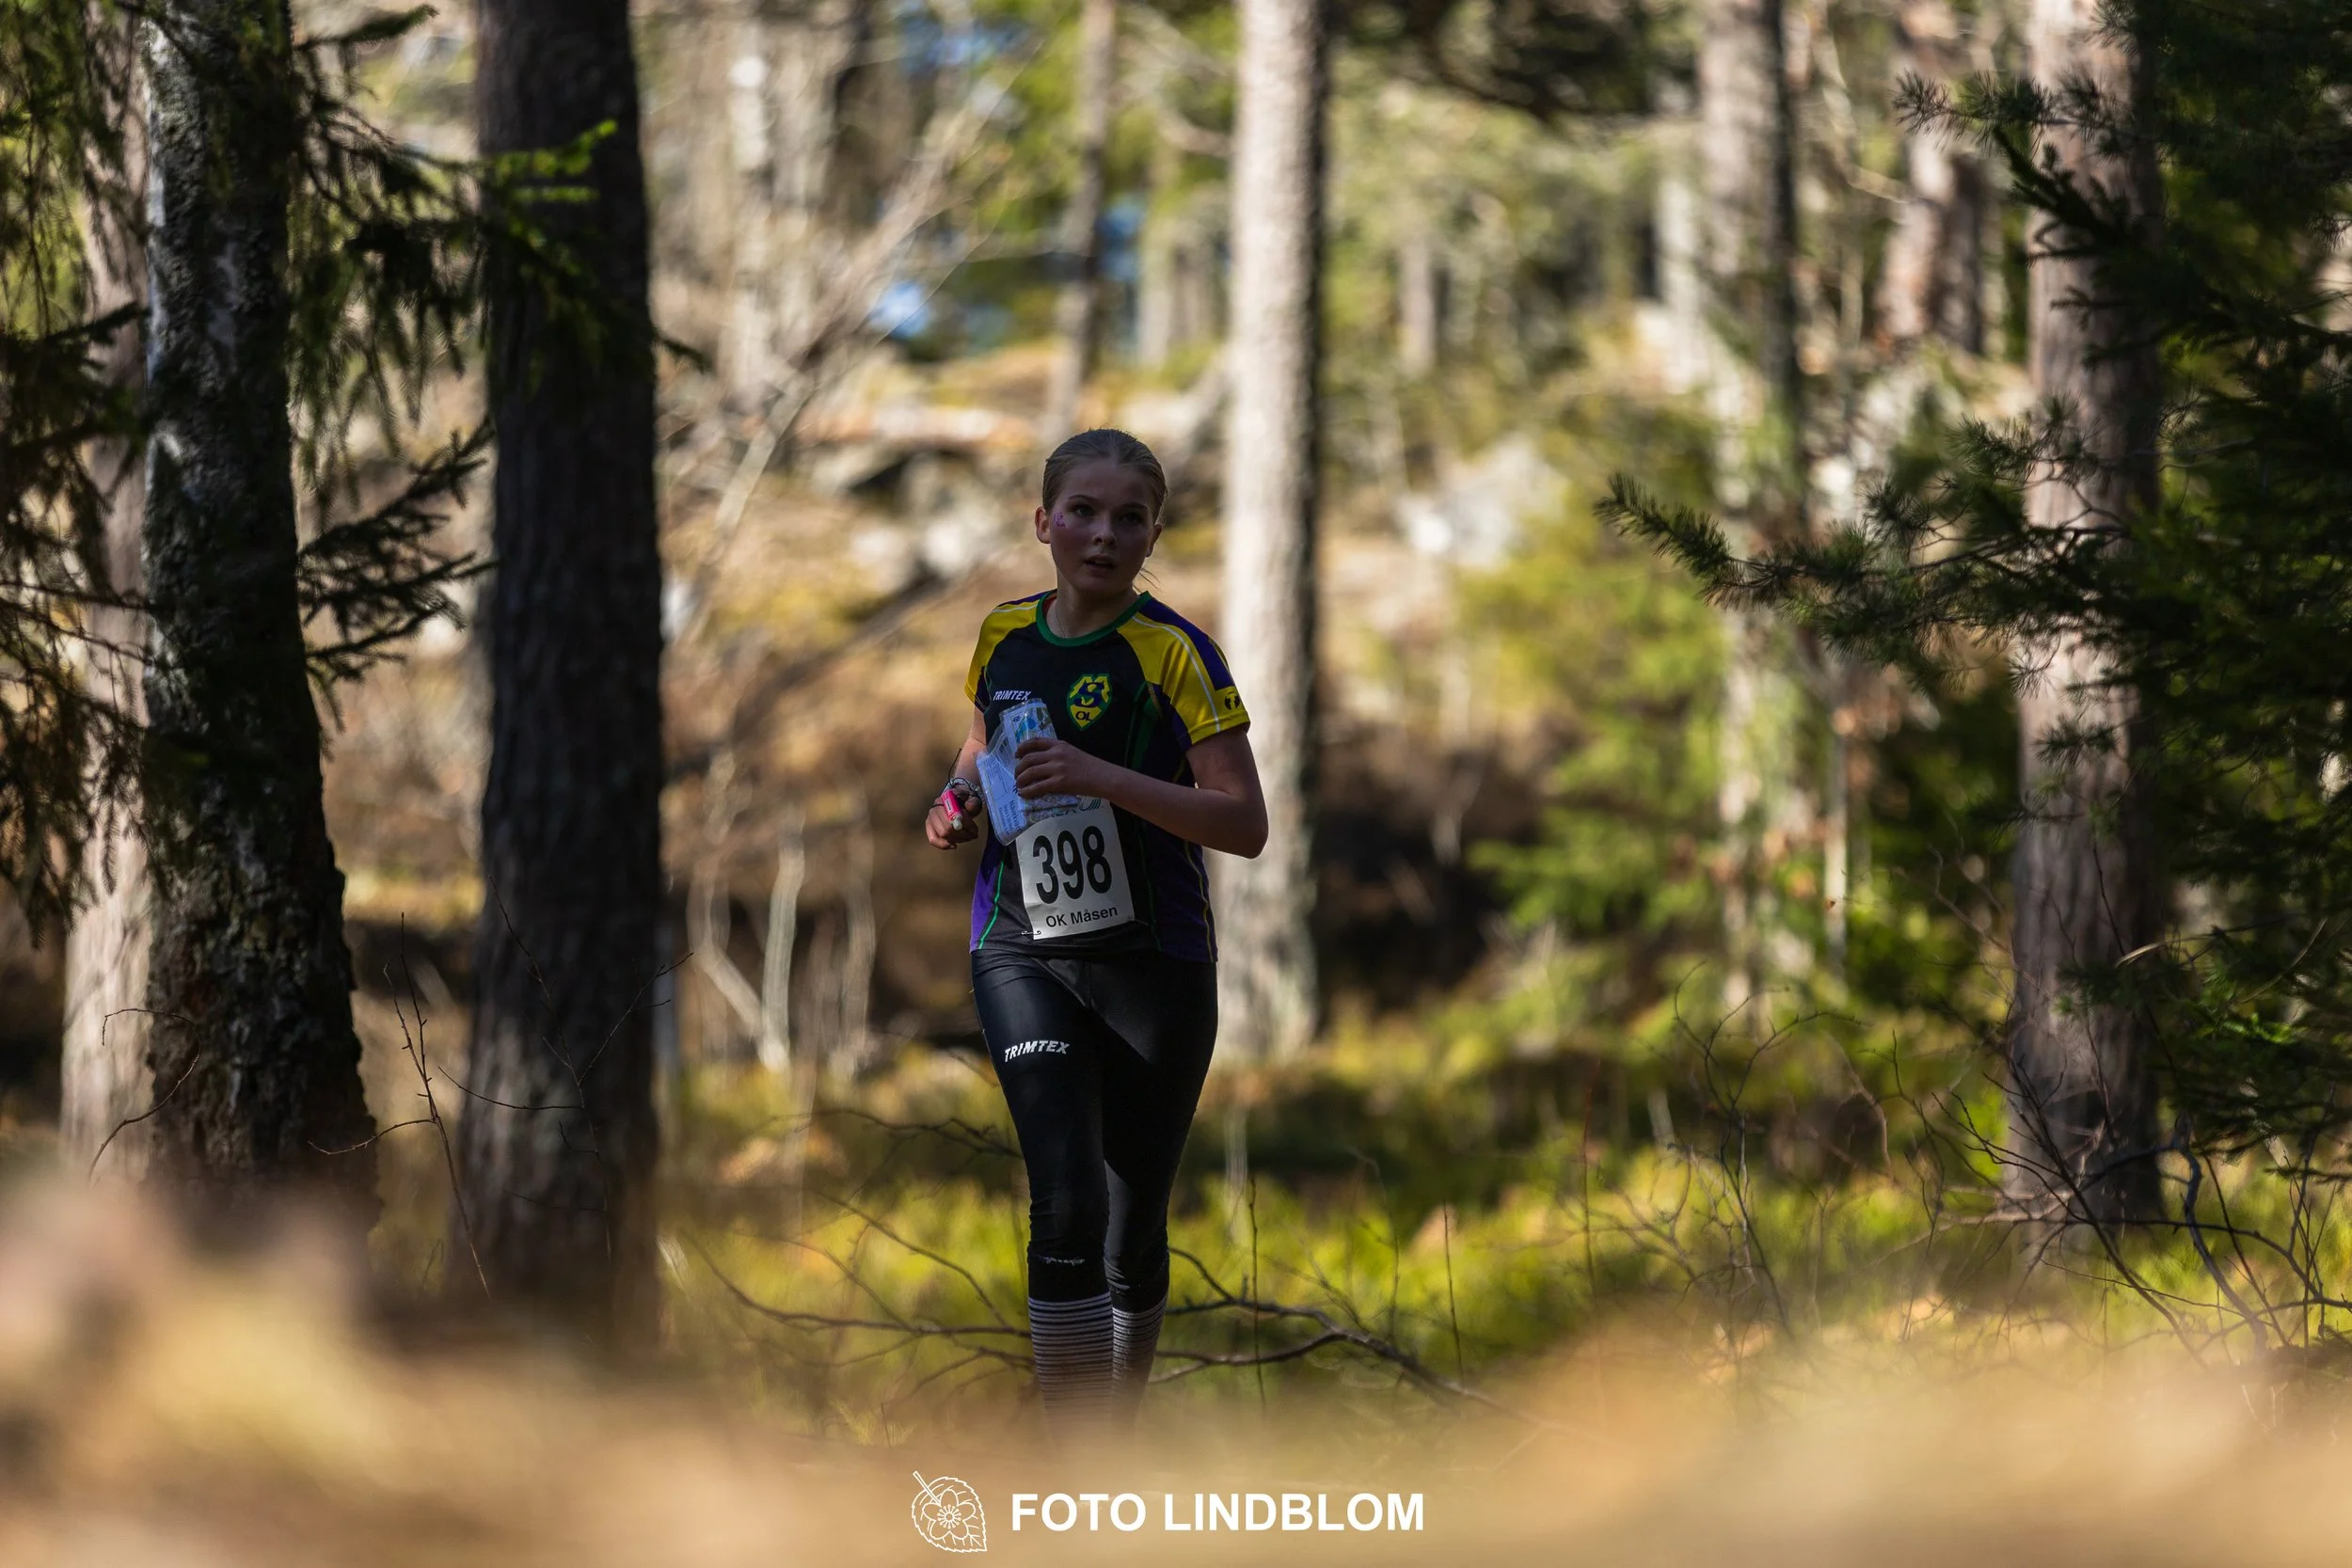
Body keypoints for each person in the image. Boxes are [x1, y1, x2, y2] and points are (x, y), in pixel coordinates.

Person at [924, 428, 1267, 1434]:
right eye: (1082, 511)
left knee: (1128, 1225)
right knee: (1062, 1196)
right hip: (1020, 945)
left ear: (1153, 531)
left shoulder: (1175, 651)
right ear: (1043, 521)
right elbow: (977, 751)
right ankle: (1067, 1460)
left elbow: (1243, 824)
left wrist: (1101, 777)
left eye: (1128, 518)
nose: (1102, 535)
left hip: (1153, 961)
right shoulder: (1001, 633)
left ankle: (1112, 1432)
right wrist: (953, 802)